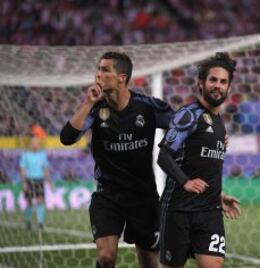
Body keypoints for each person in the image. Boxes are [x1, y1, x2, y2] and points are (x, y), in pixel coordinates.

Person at [60, 51, 174, 268]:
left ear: (122, 77)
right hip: (108, 196)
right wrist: (87, 102)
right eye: (98, 69)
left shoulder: (147, 107)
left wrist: (212, 132)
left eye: (105, 70)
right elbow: (67, 138)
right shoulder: (95, 110)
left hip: (143, 197)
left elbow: (182, 123)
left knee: (150, 262)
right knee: (105, 257)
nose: (98, 75)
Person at [157, 52, 241, 268]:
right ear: (201, 83)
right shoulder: (188, 115)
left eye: (223, 82)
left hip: (210, 212)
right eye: (213, 79)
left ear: (229, 88)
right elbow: (164, 155)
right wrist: (185, 182)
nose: (218, 85)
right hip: (178, 210)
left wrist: (219, 195)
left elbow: (204, 164)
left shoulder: (219, 122)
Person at [19, 136, 52, 230]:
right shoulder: (25, 155)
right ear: (30, 144)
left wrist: (50, 182)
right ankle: (28, 221)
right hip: (29, 180)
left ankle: (40, 223)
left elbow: (45, 169)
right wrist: (24, 182)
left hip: (39, 180)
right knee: (29, 202)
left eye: (38, 142)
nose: (36, 144)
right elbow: (22, 169)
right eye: (34, 142)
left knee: (40, 201)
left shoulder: (43, 155)